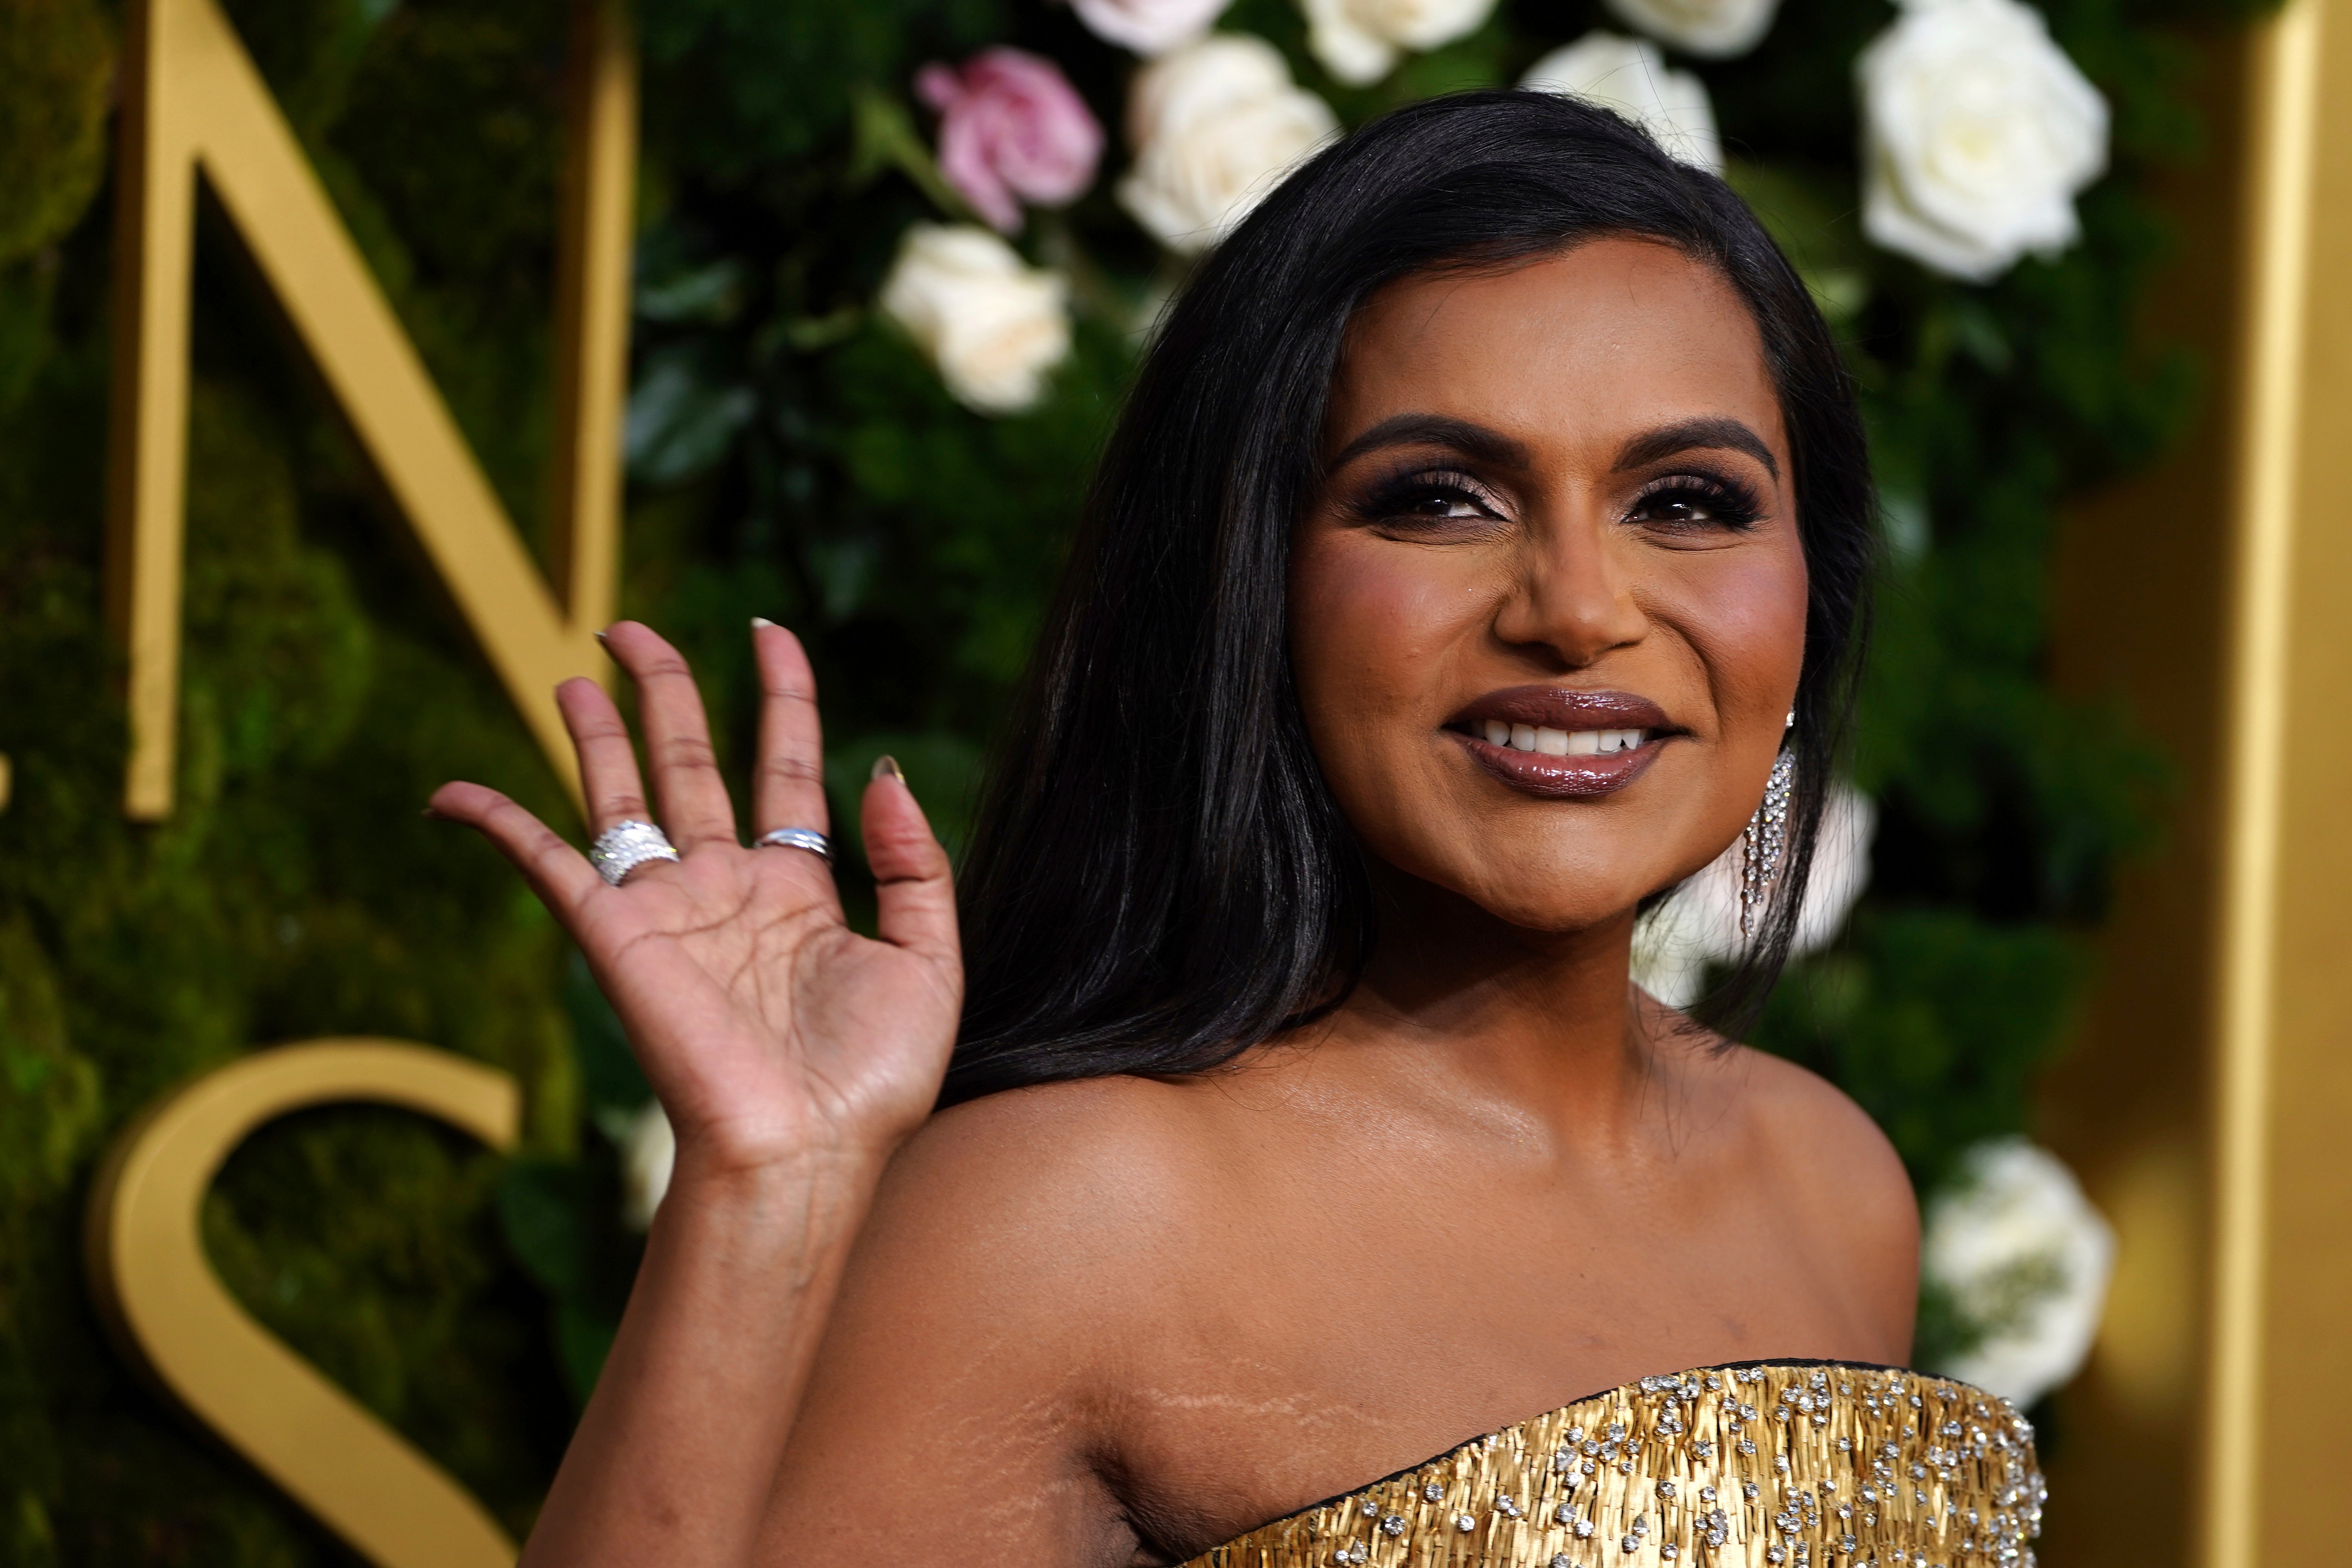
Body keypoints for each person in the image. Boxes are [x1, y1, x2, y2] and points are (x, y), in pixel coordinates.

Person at [432, 91, 2043, 1568]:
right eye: (1438, 496)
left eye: (1687, 500)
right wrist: (763, 1191)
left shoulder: (1833, 1186)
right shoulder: (1070, 1211)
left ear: (1806, 597)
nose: (1578, 609)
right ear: (1250, 578)